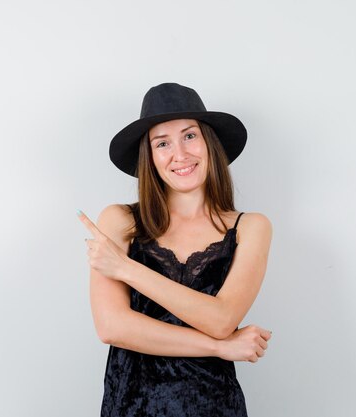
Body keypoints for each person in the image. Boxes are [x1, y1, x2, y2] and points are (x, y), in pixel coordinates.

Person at [77, 82, 273, 416]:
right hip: (131, 405)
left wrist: (126, 269)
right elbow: (112, 327)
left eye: (190, 136)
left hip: (213, 405)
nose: (180, 154)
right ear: (150, 157)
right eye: (162, 143)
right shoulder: (119, 220)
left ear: (209, 143)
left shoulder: (251, 227)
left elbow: (222, 319)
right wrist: (218, 347)